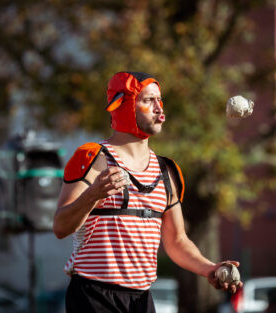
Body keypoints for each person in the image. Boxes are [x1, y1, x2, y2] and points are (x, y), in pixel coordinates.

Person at [53, 71, 242, 313]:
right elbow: (60, 227)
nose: (158, 108)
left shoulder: (166, 170)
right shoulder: (91, 158)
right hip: (93, 295)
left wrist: (210, 268)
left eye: (159, 100)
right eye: (147, 100)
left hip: (141, 300)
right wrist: (93, 195)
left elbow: (177, 241)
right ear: (122, 105)